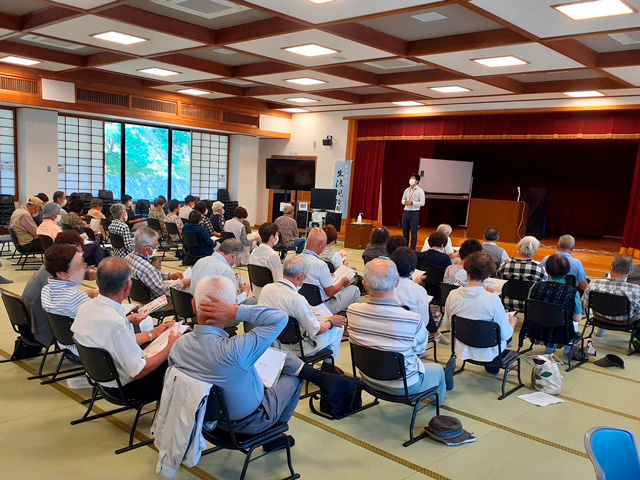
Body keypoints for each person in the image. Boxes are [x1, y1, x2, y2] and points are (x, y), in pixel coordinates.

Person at [168, 275, 359, 443]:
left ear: (193, 305)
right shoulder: (236, 349)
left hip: (204, 418)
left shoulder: (178, 346)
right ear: (229, 308)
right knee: (293, 377)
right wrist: (237, 311)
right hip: (248, 422)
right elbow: (280, 318)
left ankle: (320, 377)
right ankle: (273, 435)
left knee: (270, 344)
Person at [72, 257, 180, 400]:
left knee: (159, 346)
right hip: (125, 388)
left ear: (97, 282)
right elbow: (139, 372)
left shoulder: (85, 307)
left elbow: (113, 342)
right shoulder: (115, 322)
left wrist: (153, 334)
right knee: (179, 361)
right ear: (127, 287)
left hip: (101, 379)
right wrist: (170, 347)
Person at [347, 258, 446, 400]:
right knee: (438, 370)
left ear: (364, 285)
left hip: (367, 377)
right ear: (397, 282)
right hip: (403, 385)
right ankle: (439, 415)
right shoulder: (411, 318)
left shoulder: (353, 311)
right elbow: (420, 349)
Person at [259, 256, 345, 371]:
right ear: (300, 277)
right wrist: (331, 322)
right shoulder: (297, 299)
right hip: (297, 347)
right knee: (338, 329)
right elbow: (317, 331)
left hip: (272, 341)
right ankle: (328, 367)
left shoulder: (266, 289)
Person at [443, 252, 518, 374]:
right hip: (487, 351)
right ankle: (495, 364)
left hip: (461, 348)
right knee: (507, 325)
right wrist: (512, 322)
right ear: (488, 276)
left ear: (466, 272)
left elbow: (447, 325)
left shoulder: (453, 294)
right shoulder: (493, 300)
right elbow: (505, 335)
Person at [23, 231, 98, 347]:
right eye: (77, 251)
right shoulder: (73, 295)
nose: (81, 254)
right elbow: (101, 321)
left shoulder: (49, 282)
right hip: (52, 330)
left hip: (57, 332)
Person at [41, 244, 98, 355]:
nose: (85, 269)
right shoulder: (75, 297)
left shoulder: (46, 290)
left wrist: (86, 294)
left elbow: (67, 306)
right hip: (88, 350)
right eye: (80, 266)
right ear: (62, 274)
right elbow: (104, 322)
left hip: (65, 343)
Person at [391, 247, 449, 346]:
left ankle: (436, 335)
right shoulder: (418, 290)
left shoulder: (383, 287)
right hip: (412, 338)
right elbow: (424, 322)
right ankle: (435, 334)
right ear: (413, 268)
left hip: (389, 333)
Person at [528, 254, 582, 354]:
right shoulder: (573, 292)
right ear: (567, 271)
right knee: (573, 318)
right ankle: (568, 349)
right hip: (562, 334)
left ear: (547, 270)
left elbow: (530, 308)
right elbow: (577, 318)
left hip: (536, 330)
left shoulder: (535, 286)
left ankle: (549, 348)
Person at [300, 228, 360, 315]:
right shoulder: (320, 265)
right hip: (320, 307)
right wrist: (342, 281)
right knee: (355, 290)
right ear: (321, 244)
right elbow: (331, 293)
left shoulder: (293, 260)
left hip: (301, 304)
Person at [124, 227, 189, 306]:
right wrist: (182, 284)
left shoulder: (126, 259)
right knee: (189, 300)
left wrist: (170, 276)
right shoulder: (147, 269)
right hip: (154, 303)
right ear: (147, 249)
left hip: (139, 298)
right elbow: (165, 293)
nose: (156, 249)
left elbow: (152, 277)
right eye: (155, 246)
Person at [190, 238, 256, 306]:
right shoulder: (226, 270)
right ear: (233, 257)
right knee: (253, 301)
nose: (235, 265)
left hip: (196, 306)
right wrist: (245, 292)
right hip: (214, 310)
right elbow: (232, 303)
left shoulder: (200, 261)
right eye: (237, 262)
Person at [582, 255, 640, 326]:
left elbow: (585, 304)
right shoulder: (636, 289)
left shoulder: (594, 284)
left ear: (610, 267)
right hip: (625, 322)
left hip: (598, 317)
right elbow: (638, 313)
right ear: (631, 272)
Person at [496, 236, 548, 312]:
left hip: (506, 303)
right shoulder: (539, 267)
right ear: (535, 251)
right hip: (529, 305)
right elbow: (543, 285)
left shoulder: (505, 264)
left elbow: (498, 279)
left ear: (518, 248)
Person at [248, 222, 282, 298]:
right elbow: (278, 281)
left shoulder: (253, 252)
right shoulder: (272, 256)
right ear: (272, 237)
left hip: (256, 293)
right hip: (270, 296)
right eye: (276, 235)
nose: (277, 237)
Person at [401, 173, 425, 250]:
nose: (411, 180)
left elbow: (422, 203)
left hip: (414, 213)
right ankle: (405, 248)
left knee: (413, 233)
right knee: (405, 232)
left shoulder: (420, 191)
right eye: (411, 178)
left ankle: (412, 249)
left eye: (413, 178)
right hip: (406, 212)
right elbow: (402, 200)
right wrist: (405, 202)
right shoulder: (407, 190)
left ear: (417, 181)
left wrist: (412, 203)